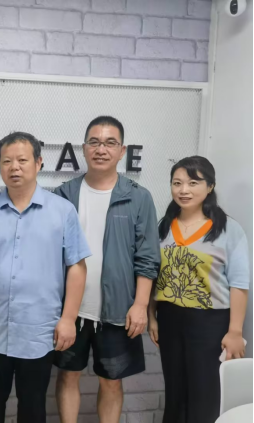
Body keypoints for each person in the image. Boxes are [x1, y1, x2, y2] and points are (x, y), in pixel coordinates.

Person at [0, 132, 91, 423]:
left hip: (39, 331)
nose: (14, 167)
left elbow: (77, 267)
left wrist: (68, 319)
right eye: (6, 161)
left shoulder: (62, 211)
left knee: (33, 409)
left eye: (22, 160)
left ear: (38, 163)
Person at [54, 116, 161, 423]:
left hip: (119, 310)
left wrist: (140, 305)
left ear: (122, 150)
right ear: (84, 148)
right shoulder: (64, 195)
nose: (101, 149)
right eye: (95, 142)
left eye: (110, 143)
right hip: (70, 310)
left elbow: (147, 257)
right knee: (67, 375)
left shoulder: (138, 197)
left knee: (112, 381)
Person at [148, 156, 250, 423]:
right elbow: (154, 275)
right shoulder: (163, 226)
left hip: (210, 322)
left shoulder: (228, 229)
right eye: (177, 183)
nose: (184, 190)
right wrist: (151, 316)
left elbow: (239, 283)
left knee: (205, 394)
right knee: (175, 392)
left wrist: (235, 331)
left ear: (210, 186)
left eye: (193, 183)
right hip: (169, 318)